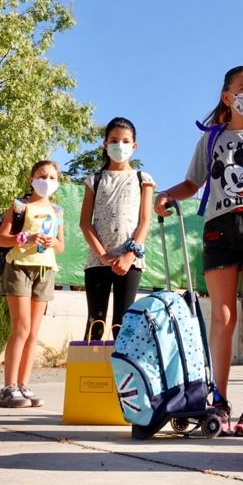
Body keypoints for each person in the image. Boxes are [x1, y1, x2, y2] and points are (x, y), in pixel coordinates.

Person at [155, 65, 243, 437]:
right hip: (219, 226)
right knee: (221, 316)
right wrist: (167, 195)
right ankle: (217, 398)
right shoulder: (211, 140)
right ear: (228, 96)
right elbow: (192, 182)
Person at [0, 160, 65, 409]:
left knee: (33, 332)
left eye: (52, 177)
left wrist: (49, 241)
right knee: (21, 327)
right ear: (31, 178)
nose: (47, 181)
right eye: (42, 176)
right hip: (19, 268)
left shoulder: (57, 211)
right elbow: (3, 239)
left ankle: (23, 384)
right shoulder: (19, 206)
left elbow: (61, 245)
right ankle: (8, 388)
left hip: (45, 270)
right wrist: (26, 237)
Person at [79, 117, 155, 340]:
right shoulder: (94, 180)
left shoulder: (143, 179)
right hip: (97, 261)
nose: (119, 146)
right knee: (96, 322)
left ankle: (120, 374)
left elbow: (145, 222)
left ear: (134, 146)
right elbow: (85, 222)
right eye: (114, 140)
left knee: (122, 323)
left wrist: (129, 255)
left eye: (125, 141)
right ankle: (89, 374)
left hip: (129, 261)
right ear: (105, 144)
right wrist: (103, 255)